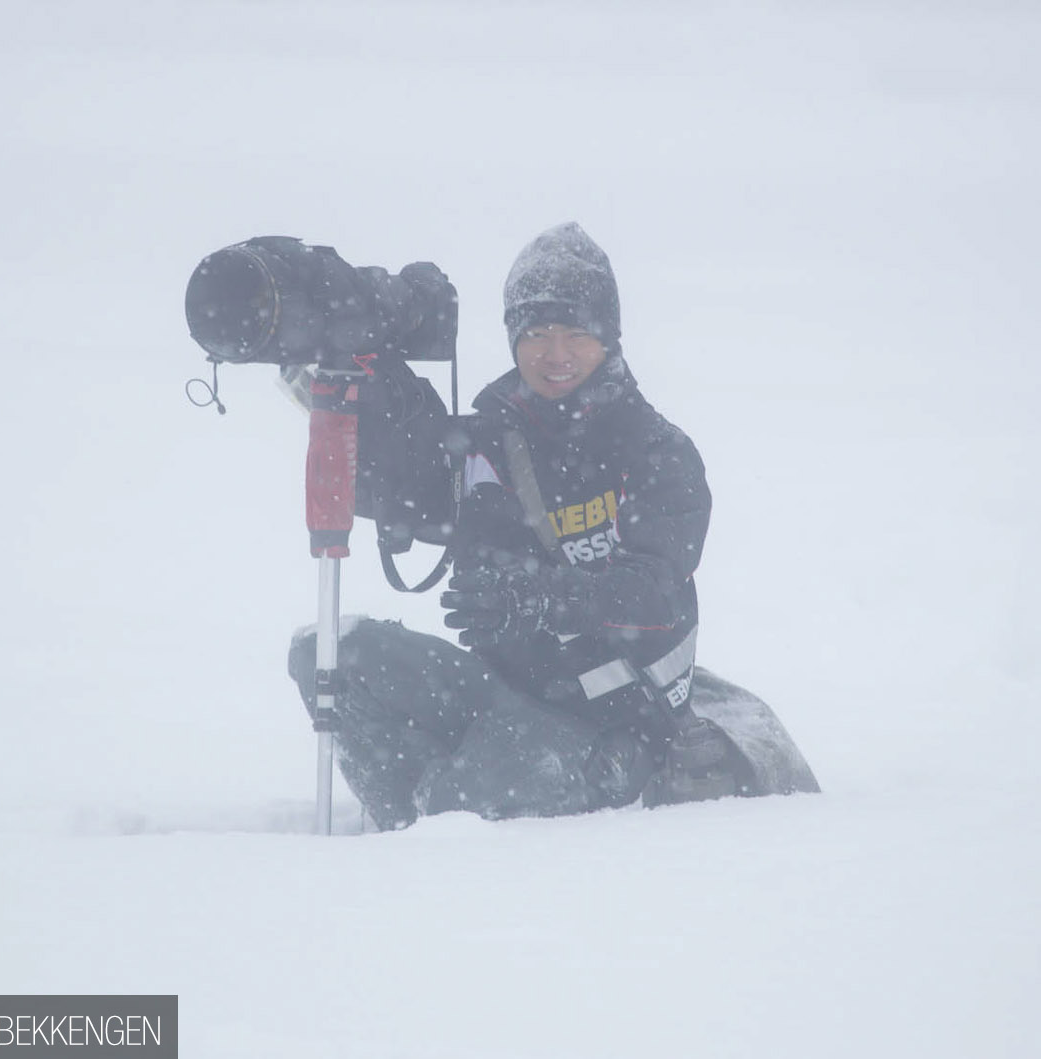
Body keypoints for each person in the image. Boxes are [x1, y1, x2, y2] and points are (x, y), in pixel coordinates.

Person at [289, 222, 809, 829]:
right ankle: (412, 826)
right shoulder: (490, 436)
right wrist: (362, 374)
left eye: (576, 334)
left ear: (609, 340)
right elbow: (402, 495)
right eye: (535, 333)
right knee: (329, 656)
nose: (554, 354)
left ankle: (443, 825)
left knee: (467, 809)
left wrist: (542, 599)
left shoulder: (657, 452)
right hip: (503, 692)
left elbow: (654, 594)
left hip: (612, 722)